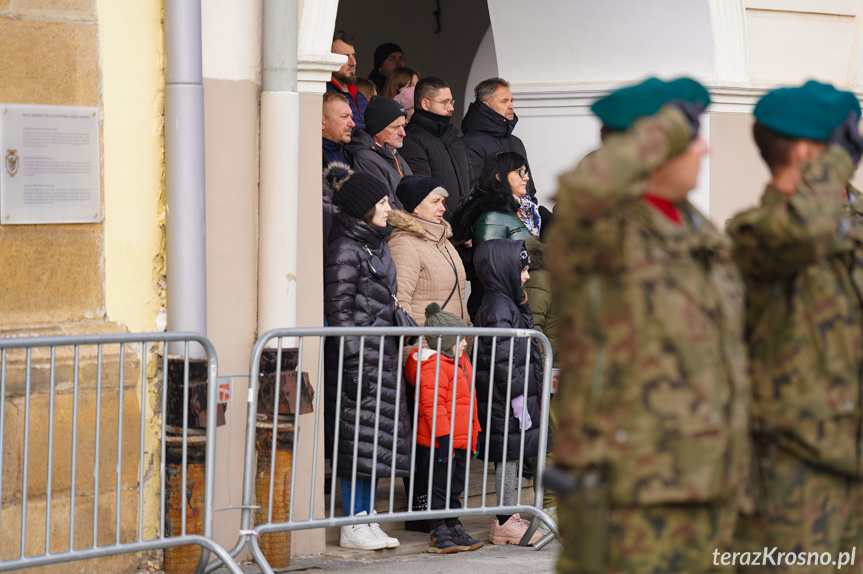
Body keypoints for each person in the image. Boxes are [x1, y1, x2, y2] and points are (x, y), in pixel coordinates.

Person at [548, 77, 751, 573]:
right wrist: (664, 130)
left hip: (712, 481)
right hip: (632, 492)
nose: (703, 146)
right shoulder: (603, 228)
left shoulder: (698, 232)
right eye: (690, 134)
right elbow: (583, 189)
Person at [727, 81, 863, 572]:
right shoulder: (754, 232)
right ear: (810, 152)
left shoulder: (849, 229)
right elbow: (802, 233)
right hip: (793, 470)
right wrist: (832, 168)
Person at [323, 163, 412, 551]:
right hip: (360, 359)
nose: (388, 206)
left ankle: (369, 518)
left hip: (383, 358)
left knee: (374, 443)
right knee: (354, 442)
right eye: (380, 201)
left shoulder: (377, 244)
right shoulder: (345, 248)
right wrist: (355, 359)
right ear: (362, 208)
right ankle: (352, 523)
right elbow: (339, 310)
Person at [472, 238, 544, 547]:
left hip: (512, 395)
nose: (526, 276)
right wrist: (517, 400)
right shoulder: (497, 306)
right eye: (522, 270)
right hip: (506, 398)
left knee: (512, 456)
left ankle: (508, 514)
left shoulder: (508, 301)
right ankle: (502, 521)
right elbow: (504, 359)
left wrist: (525, 304)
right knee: (507, 456)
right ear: (503, 270)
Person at [406, 302, 485, 554]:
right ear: (445, 341)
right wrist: (444, 436)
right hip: (440, 440)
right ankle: (437, 530)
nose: (465, 344)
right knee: (438, 485)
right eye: (460, 339)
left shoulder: (461, 362)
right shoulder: (433, 365)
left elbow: (468, 403)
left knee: (455, 484)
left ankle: (452, 523)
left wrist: (474, 433)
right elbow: (433, 405)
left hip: (461, 438)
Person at [451, 151, 536, 322]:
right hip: (502, 310)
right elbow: (491, 268)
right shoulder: (492, 215)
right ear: (499, 176)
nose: (525, 177)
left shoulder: (522, 210)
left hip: (517, 301)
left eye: (525, 172)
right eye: (519, 172)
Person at [387, 175, 469, 324]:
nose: (443, 208)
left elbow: (459, 299)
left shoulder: (445, 242)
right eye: (435, 202)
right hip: (426, 344)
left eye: (443, 202)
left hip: (453, 342)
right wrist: (415, 345)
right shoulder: (403, 245)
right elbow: (400, 303)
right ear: (415, 206)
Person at [400, 77, 472, 217]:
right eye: (445, 102)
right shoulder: (411, 140)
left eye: (451, 102)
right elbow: (424, 191)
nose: (451, 108)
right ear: (425, 104)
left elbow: (472, 184)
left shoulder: (455, 140)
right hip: (437, 229)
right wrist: (455, 229)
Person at [462, 78, 538, 202]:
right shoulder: (471, 143)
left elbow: (529, 188)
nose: (511, 106)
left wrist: (532, 211)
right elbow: (474, 189)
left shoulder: (516, 142)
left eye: (511, 101)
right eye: (504, 101)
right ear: (486, 105)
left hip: (523, 216)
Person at [345, 96, 412, 205]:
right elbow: (386, 206)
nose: (403, 133)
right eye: (395, 127)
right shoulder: (365, 158)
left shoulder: (394, 153)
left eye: (403, 126)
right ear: (377, 129)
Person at [327, 30, 368, 129]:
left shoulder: (357, 94)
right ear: (329, 59)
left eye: (353, 55)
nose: (353, 62)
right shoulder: (324, 94)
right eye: (345, 56)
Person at [322, 92, 355, 168]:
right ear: (322, 123)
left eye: (351, 117)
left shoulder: (353, 152)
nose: (352, 124)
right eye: (344, 117)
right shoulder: (308, 157)